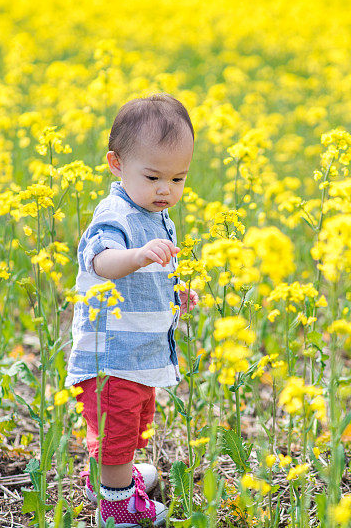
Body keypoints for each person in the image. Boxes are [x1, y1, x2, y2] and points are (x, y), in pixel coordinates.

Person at [65, 93, 199, 527]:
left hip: (139, 355)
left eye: (178, 179)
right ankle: (117, 505)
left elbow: (155, 273)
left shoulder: (158, 216)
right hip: (110, 357)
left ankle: (105, 478)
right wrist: (139, 255)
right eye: (154, 176)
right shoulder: (115, 215)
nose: (166, 190)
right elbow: (102, 262)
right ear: (116, 165)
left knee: (133, 423)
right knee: (116, 431)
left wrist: (176, 292)